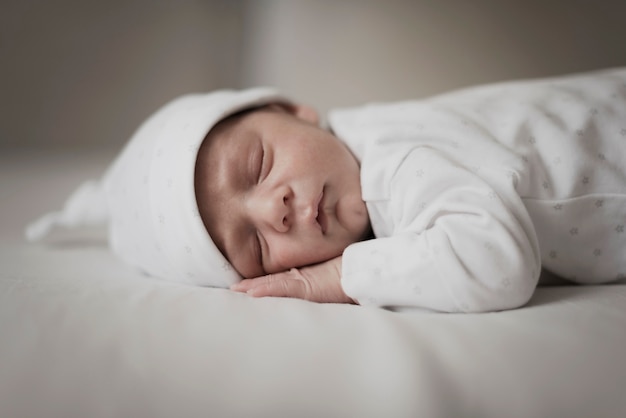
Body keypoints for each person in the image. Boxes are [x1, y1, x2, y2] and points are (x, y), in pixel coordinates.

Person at [26, 68, 626, 312]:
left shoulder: (393, 167)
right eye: (255, 248)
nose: (274, 210)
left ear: (297, 111)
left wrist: (331, 278)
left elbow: (499, 263)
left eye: (257, 164)